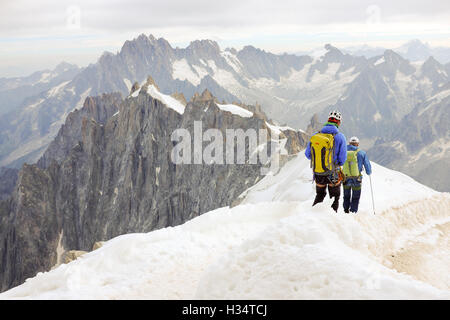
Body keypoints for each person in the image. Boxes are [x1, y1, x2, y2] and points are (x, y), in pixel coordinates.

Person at [305, 110, 347, 212]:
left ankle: (312, 218)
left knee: (319, 195)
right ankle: (331, 221)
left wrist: (320, 160)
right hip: (333, 173)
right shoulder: (340, 137)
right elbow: (342, 160)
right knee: (334, 198)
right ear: (338, 122)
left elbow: (308, 154)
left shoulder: (316, 135)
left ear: (328, 120)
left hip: (318, 172)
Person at [342, 136, 372, 213]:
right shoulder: (362, 153)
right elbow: (367, 165)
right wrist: (369, 172)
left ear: (349, 143)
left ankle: (346, 210)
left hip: (345, 177)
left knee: (346, 195)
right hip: (357, 177)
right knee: (355, 196)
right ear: (357, 144)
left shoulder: (343, 152)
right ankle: (353, 211)